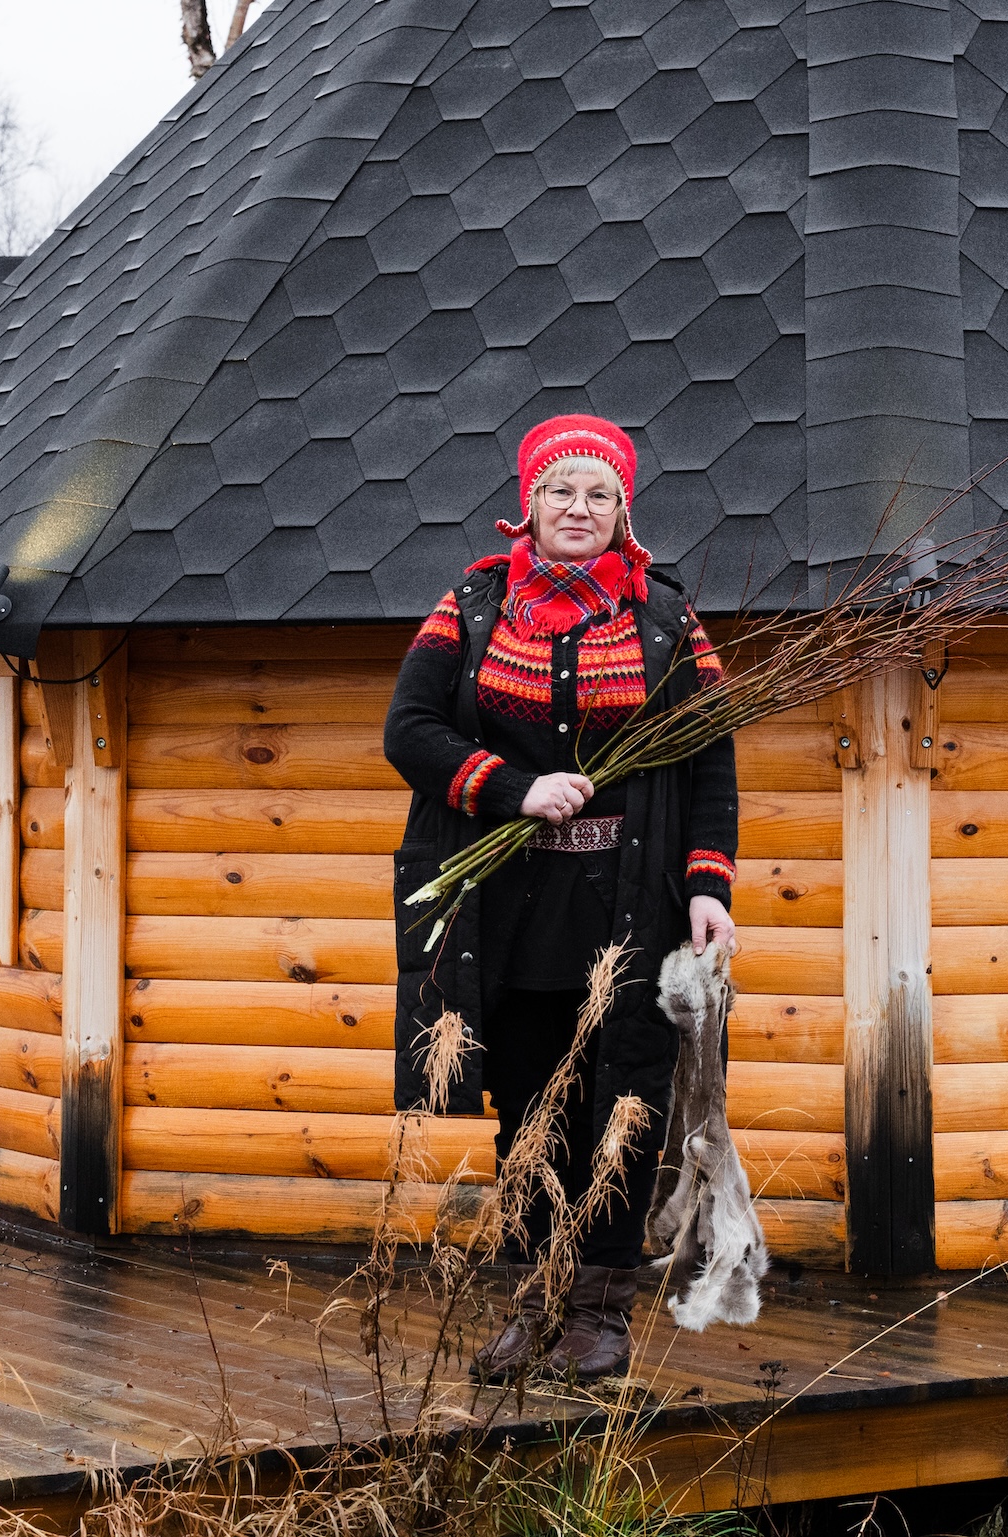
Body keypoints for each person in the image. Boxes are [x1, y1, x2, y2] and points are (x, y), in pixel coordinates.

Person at [384, 414, 740, 1382]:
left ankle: (600, 1314)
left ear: (622, 511)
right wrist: (510, 789)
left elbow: (710, 755)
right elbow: (408, 729)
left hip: (631, 904)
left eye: (597, 495)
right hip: (514, 909)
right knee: (531, 1108)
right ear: (527, 505)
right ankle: (535, 1306)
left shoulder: (664, 618)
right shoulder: (472, 606)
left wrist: (708, 884)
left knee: (623, 1100)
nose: (577, 510)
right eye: (559, 492)